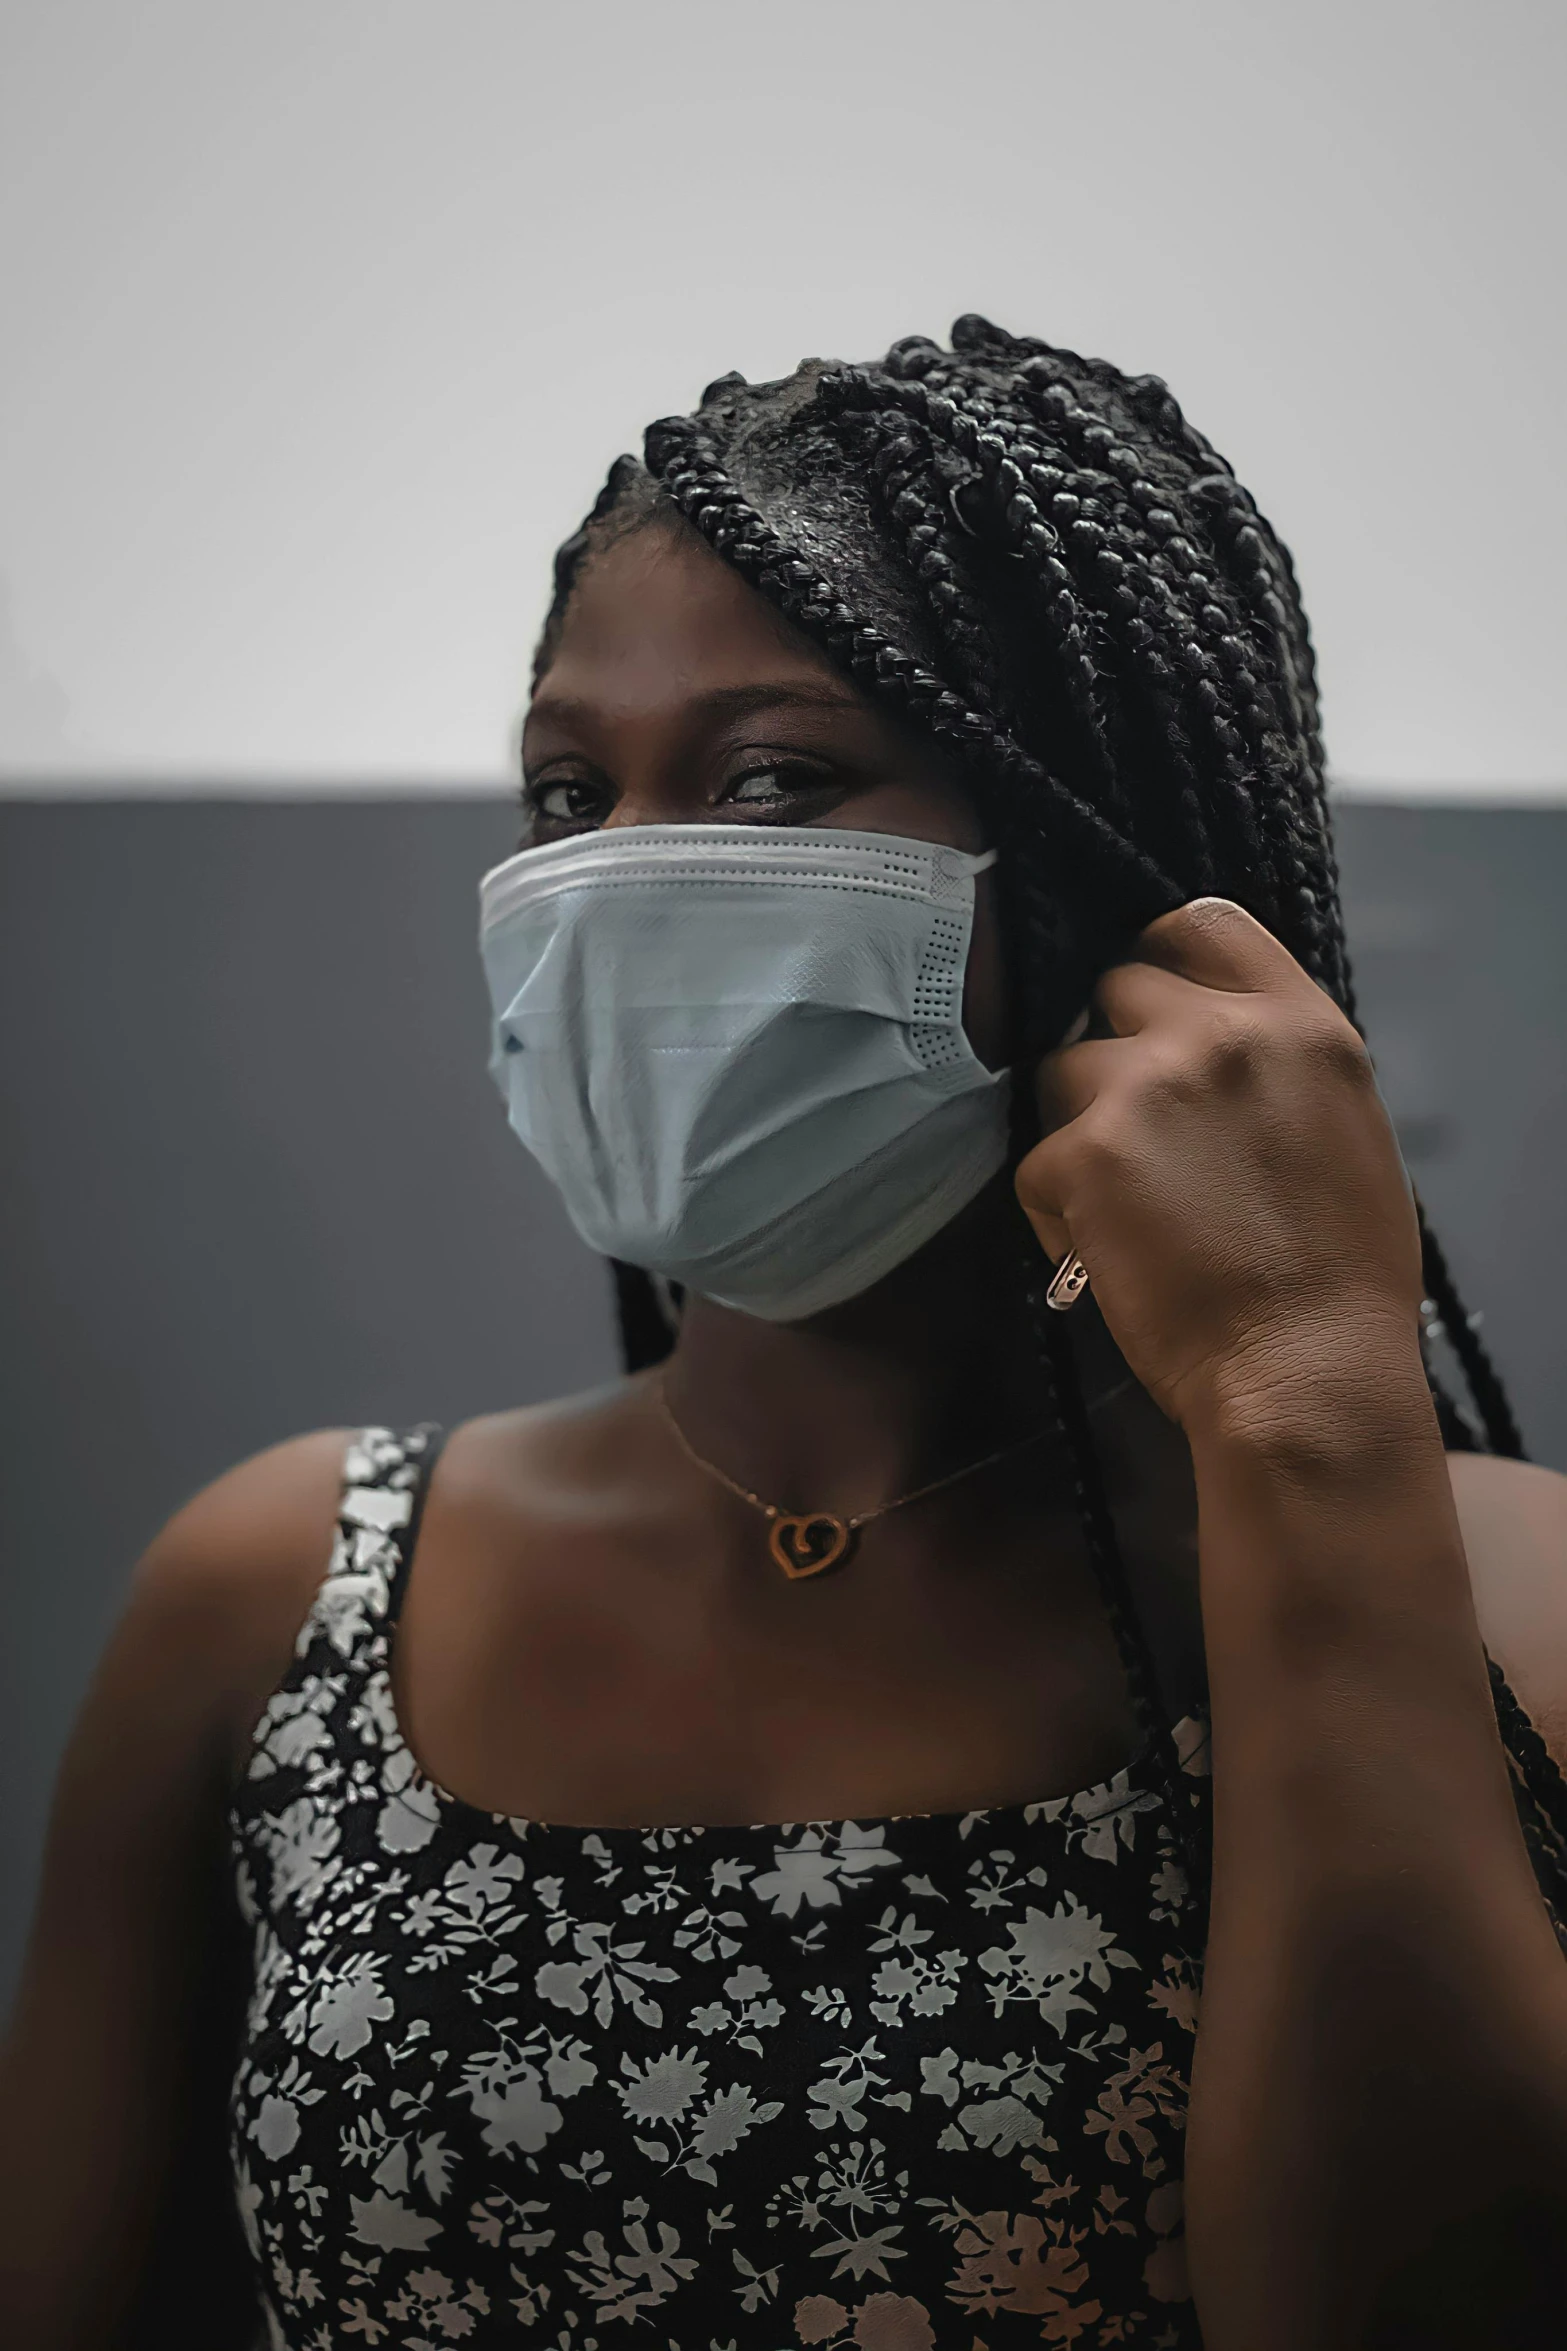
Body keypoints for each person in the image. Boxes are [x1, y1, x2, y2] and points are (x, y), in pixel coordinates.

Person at [3, 318, 1567, 2351]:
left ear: (1097, 867)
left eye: (773, 777)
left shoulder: (1514, 1608)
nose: (615, 879)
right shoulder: (275, 1598)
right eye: (569, 788)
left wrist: (1304, 1415)